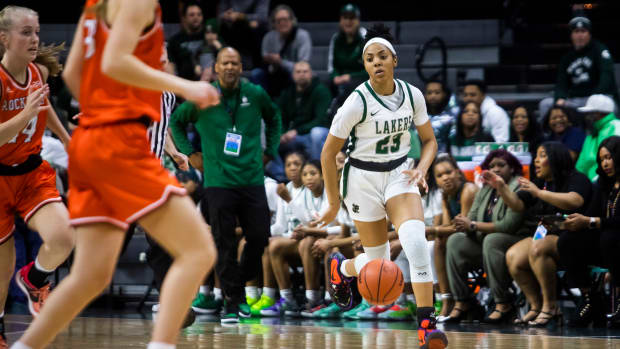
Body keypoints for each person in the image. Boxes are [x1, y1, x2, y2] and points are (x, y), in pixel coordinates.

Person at [11, 1, 220, 348]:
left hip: (92, 142)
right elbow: (114, 62)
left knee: (90, 277)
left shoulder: (97, 6)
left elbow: (75, 75)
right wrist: (186, 86)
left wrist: (105, 109)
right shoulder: (138, 2)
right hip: (121, 144)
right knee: (199, 251)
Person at [317, 24, 447, 348]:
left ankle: (427, 326)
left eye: (382, 56)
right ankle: (343, 266)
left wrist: (422, 168)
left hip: (400, 173)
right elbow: (328, 152)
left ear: (394, 60)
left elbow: (429, 141)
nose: (376, 63)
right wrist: (333, 203)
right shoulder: (357, 101)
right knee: (378, 266)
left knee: (416, 242)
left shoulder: (412, 95)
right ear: (365, 66)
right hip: (361, 180)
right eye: (370, 58)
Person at [170, 46, 281, 323]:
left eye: (235, 63)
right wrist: (190, 154)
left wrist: (272, 149)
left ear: (240, 67)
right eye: (225, 63)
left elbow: (274, 117)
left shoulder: (254, 94)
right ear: (216, 68)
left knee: (259, 236)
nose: (230, 67)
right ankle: (233, 302)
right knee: (224, 241)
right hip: (218, 181)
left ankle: (237, 286)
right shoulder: (203, 96)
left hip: (252, 178)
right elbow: (175, 122)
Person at [0, 6, 75, 345]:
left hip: (31, 172)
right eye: (26, 32)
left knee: (64, 237)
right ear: (4, 38)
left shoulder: (38, 73)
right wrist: (26, 112)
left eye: (36, 32)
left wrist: (67, 140)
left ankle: (36, 278)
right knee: (1, 272)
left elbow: (45, 107)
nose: (34, 39)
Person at [502, 142, 591, 327]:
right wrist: (501, 187)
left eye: (542, 155)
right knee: (513, 256)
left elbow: (575, 200)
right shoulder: (540, 183)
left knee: (537, 248)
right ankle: (535, 306)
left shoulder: (576, 178)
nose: (536, 160)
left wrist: (539, 193)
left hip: (574, 239)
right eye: (536, 155)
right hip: (545, 238)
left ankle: (550, 306)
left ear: (556, 158)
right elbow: (517, 205)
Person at [444, 150, 528, 324]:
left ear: (512, 168)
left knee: (492, 239)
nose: (496, 169)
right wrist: (463, 222)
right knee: (455, 241)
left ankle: (503, 303)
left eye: (501, 165)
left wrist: (473, 225)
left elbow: (508, 226)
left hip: (514, 242)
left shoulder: (519, 186)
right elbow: (473, 215)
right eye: (491, 166)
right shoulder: (486, 189)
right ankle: (463, 301)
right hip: (486, 243)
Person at [559, 136, 620, 327]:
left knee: (609, 238)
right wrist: (575, 222)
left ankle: (618, 300)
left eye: (609, 157)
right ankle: (590, 298)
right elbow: (590, 214)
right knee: (568, 240)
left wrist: (592, 221)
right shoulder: (602, 184)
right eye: (602, 159)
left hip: (615, 241)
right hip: (605, 243)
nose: (605, 163)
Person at [538, 16, 619, 121]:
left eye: (583, 31)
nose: (580, 35)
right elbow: (561, 83)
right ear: (571, 35)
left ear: (589, 34)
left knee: (608, 103)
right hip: (574, 100)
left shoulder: (600, 50)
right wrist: (560, 98)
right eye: (576, 32)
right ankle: (549, 137)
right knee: (545, 104)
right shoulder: (567, 58)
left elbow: (606, 76)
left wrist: (595, 95)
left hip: (596, 97)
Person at [431, 154, 477, 320]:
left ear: (458, 173)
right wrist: (443, 205)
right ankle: (447, 299)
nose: (445, 178)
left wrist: (432, 229)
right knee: (439, 242)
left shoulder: (468, 190)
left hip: (478, 239)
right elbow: (446, 226)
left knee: (445, 241)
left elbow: (460, 228)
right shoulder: (446, 196)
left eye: (448, 172)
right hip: (460, 240)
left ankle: (460, 300)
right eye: (439, 175)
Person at [251, 4, 312, 97]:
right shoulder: (268, 37)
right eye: (279, 21)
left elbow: (303, 65)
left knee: (298, 75)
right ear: (274, 23)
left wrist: (281, 62)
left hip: (293, 74)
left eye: (285, 19)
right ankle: (262, 103)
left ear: (292, 20)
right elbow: (264, 58)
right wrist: (270, 61)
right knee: (256, 74)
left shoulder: (302, 36)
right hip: (273, 73)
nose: (282, 23)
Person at [278, 61, 331, 161]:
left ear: (310, 74)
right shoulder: (288, 92)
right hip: (294, 136)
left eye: (305, 71)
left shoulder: (321, 91)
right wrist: (282, 133)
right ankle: (279, 174)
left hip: (317, 133)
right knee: (271, 137)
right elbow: (280, 116)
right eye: (298, 72)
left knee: (316, 133)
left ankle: (316, 169)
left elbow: (320, 120)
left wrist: (297, 131)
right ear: (293, 75)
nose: (301, 74)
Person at [326, 3, 367, 118]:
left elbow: (371, 69)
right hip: (340, 79)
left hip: (361, 78)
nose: (348, 21)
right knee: (324, 87)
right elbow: (332, 66)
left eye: (352, 18)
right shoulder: (336, 39)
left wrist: (350, 76)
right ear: (340, 20)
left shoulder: (366, 37)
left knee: (350, 86)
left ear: (358, 20)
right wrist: (335, 76)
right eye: (345, 18)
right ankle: (327, 121)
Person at [575, 94, 620, 180]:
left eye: (589, 113)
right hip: (592, 186)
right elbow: (581, 166)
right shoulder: (591, 135)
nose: (586, 117)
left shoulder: (617, 126)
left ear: (600, 112)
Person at [217, 0, 269, 70]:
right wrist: (226, 15)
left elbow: (262, 17)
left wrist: (241, 16)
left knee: (255, 25)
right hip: (229, 29)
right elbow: (220, 15)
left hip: (251, 33)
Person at [168, 1, 205, 80]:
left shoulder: (209, 37)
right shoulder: (174, 41)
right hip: (184, 84)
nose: (196, 17)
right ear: (184, 18)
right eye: (192, 15)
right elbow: (171, 67)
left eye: (199, 14)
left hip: (210, 83)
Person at [425, 79, 459, 153]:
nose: (433, 96)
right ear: (424, 95)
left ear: (444, 94)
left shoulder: (451, 118)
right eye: (429, 93)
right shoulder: (417, 116)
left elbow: (454, 142)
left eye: (437, 92)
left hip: (445, 159)